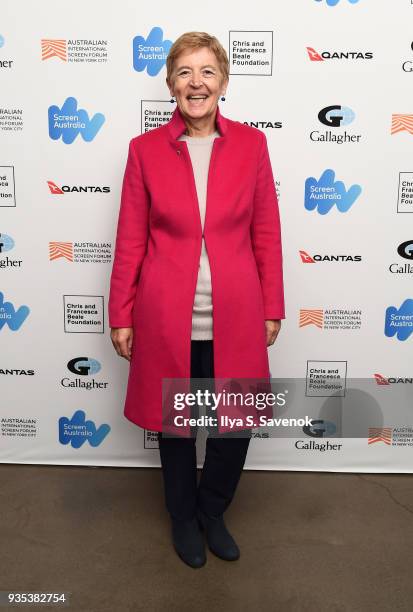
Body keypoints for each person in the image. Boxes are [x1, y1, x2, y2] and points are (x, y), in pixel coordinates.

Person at [109, 31, 285, 568]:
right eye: (185, 72)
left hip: (235, 315)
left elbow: (267, 232)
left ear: (223, 82)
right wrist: (120, 314)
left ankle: (212, 511)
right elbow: (131, 238)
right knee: (176, 428)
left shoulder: (253, 145)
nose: (196, 83)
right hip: (166, 319)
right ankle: (183, 518)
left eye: (207, 71)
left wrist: (273, 305)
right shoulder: (144, 152)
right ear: (171, 85)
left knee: (236, 426)